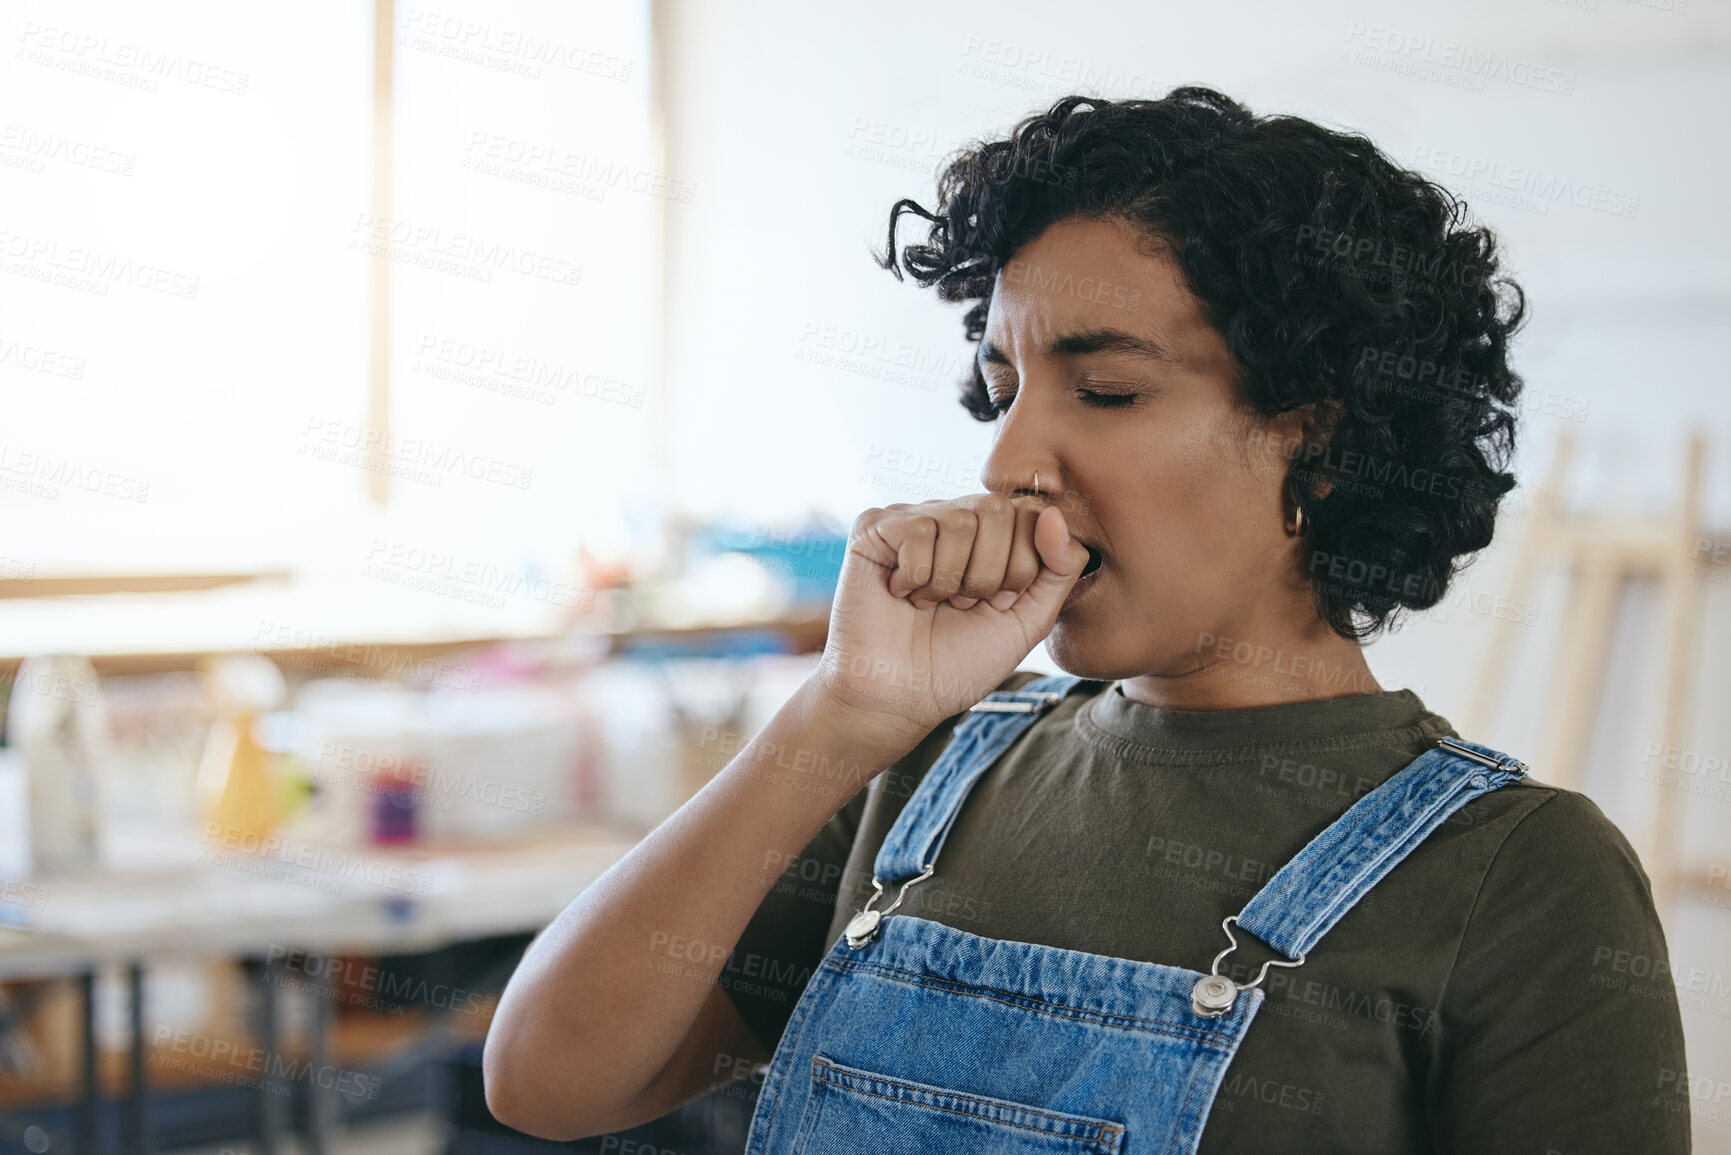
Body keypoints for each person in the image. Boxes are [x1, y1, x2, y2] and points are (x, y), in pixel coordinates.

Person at [482, 86, 1689, 1153]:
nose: (1008, 459)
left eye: (1106, 390)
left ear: (1317, 441)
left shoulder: (1520, 875)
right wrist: (843, 716)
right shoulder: (923, 772)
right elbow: (545, 1080)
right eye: (1001, 393)